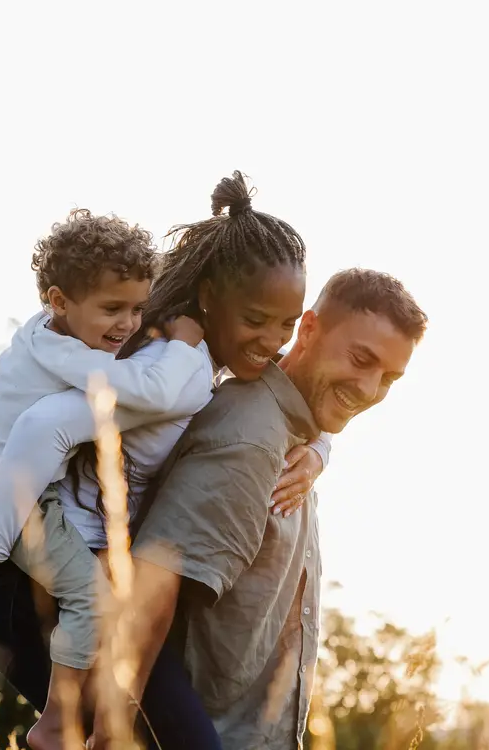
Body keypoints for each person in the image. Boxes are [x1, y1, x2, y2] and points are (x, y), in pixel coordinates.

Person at [0, 172, 334, 748]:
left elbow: (287, 407)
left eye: (287, 323)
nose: (274, 340)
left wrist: (318, 449)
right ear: (210, 297)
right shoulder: (168, 367)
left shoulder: (203, 361)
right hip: (35, 587)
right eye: (256, 320)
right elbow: (45, 423)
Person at [97, 267, 428, 749]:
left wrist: (320, 450)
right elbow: (145, 598)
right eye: (361, 359)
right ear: (308, 328)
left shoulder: (299, 433)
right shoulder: (251, 438)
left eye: (389, 378)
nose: (369, 389)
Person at [0, 208, 216, 750]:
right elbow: (145, 390)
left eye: (137, 308)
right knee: (93, 598)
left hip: (3, 481)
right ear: (58, 302)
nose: (128, 324)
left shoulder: (52, 335)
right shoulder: (62, 353)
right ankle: (56, 726)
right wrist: (184, 345)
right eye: (112, 308)